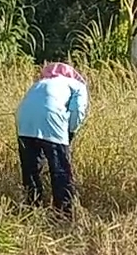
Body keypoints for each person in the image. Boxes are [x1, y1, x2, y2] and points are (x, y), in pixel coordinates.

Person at [16, 62, 89, 218]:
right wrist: (70, 132)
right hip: (52, 119)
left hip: (24, 121)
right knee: (60, 168)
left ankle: (31, 207)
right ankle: (63, 212)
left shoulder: (40, 83)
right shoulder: (77, 85)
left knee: (30, 168)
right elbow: (78, 110)